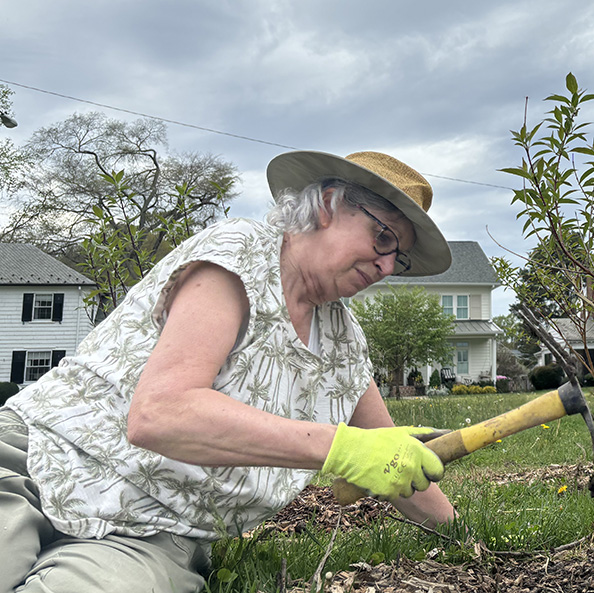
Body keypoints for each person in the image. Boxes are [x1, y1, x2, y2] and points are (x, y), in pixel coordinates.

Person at [0, 150, 458, 592]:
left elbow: (395, 464)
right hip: (36, 459)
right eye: (382, 238)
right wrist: (339, 449)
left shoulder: (345, 344)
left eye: (397, 257)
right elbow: (160, 413)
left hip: (151, 532)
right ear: (326, 205)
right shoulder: (241, 253)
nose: (384, 266)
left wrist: (465, 537)